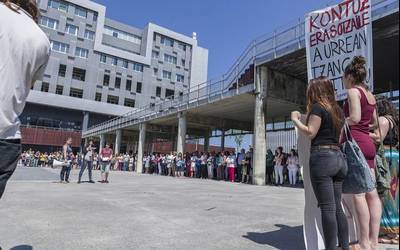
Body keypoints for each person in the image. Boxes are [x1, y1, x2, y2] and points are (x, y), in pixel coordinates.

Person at [292, 76, 349, 250]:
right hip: (339, 158)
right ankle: (344, 246)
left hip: (322, 158)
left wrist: (295, 119)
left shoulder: (318, 107)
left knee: (327, 209)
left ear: (315, 91)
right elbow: (339, 136)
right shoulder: (338, 110)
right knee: (338, 207)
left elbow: (310, 132)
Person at [342, 56, 381, 250]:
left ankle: (363, 242)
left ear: (349, 76)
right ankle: (374, 241)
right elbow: (373, 122)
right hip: (368, 144)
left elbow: (355, 117)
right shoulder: (369, 93)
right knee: (372, 193)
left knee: (359, 194)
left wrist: (341, 120)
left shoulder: (352, 91)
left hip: (355, 145)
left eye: (343, 77)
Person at [370, 96, 399, 244]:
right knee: (393, 193)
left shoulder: (382, 120)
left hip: (386, 157)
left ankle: (391, 233)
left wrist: (360, 132)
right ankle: (393, 231)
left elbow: (377, 138)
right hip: (394, 156)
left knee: (385, 193)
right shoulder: (393, 120)